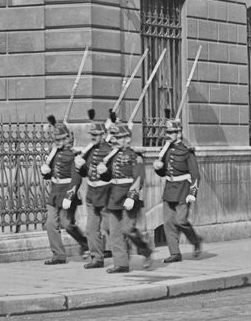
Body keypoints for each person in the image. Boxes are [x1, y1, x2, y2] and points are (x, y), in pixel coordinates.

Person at [154, 109, 206, 263]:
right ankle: (175, 253)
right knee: (169, 222)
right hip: (169, 189)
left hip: (183, 189)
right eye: (167, 133)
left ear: (178, 133)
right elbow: (165, 172)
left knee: (181, 220)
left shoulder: (187, 151)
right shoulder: (166, 150)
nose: (167, 135)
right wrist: (158, 169)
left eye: (170, 133)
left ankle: (195, 240)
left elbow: (195, 175)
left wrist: (193, 192)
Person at [103, 118, 152, 273]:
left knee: (128, 229)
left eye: (118, 138)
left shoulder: (135, 156)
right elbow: (110, 176)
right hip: (114, 195)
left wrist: (132, 196)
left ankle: (145, 250)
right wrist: (103, 173)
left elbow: (139, 177)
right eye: (115, 138)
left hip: (129, 196)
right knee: (115, 231)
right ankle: (121, 264)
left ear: (127, 139)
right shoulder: (113, 155)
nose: (115, 140)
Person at [40, 114, 87, 265]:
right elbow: (51, 175)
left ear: (68, 139)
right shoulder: (53, 154)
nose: (59, 142)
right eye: (57, 140)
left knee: (67, 224)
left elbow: (76, 178)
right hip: (55, 193)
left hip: (67, 194)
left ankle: (85, 243)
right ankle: (59, 255)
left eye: (62, 139)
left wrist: (70, 195)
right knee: (50, 224)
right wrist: (45, 172)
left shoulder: (73, 155)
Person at [80, 109, 113, 270]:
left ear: (102, 135)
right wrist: (80, 167)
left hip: (106, 194)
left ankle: (122, 252)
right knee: (91, 229)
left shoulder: (110, 151)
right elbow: (85, 170)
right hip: (92, 195)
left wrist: (105, 171)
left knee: (109, 228)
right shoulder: (90, 150)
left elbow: (115, 173)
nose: (92, 138)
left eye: (96, 135)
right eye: (91, 135)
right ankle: (97, 258)